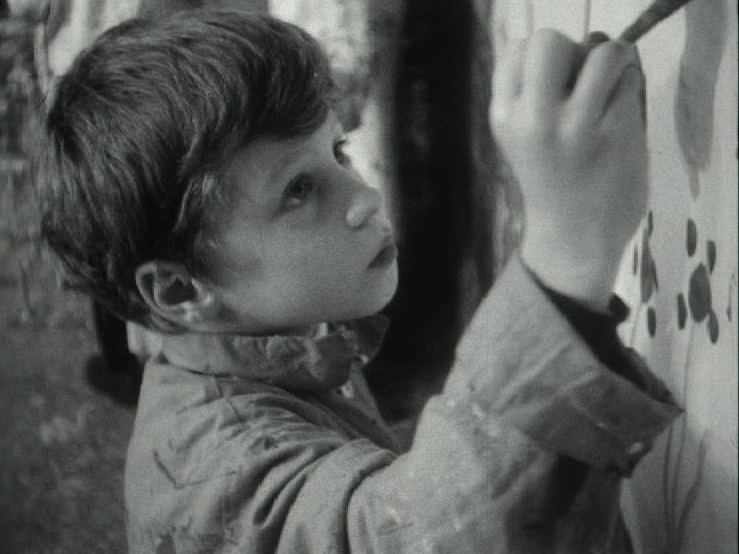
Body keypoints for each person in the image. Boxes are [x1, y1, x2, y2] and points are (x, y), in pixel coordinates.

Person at [38, 9, 680, 553]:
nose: (366, 198)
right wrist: (567, 256)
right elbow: (406, 537)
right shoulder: (217, 470)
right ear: (182, 293)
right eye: (299, 190)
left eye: (338, 153)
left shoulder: (268, 348)